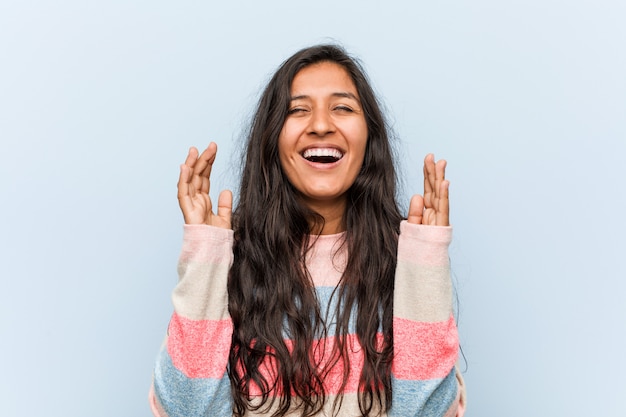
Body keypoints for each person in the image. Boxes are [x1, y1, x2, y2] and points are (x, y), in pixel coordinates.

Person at [149, 44, 466, 417]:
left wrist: (425, 269)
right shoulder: (229, 260)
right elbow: (187, 409)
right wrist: (204, 255)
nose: (320, 125)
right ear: (272, 138)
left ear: (370, 137)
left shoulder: (405, 263)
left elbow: (429, 412)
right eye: (297, 110)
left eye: (343, 108)